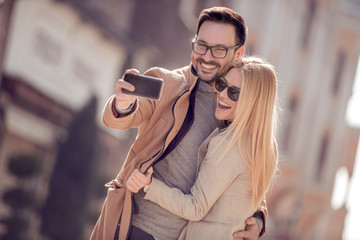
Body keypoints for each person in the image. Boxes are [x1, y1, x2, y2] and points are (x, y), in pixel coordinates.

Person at [91, 7, 268, 240]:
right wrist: (123, 103)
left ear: (238, 54)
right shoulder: (168, 83)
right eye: (201, 45)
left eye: (219, 50)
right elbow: (119, 118)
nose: (206, 57)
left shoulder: (240, 108)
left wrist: (258, 217)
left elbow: (245, 172)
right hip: (137, 228)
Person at [126, 57, 278, 240]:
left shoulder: (228, 144)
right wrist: (259, 221)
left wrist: (149, 185)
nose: (222, 94)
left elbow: (196, 208)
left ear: (254, 102)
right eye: (222, 84)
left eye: (234, 93)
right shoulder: (266, 146)